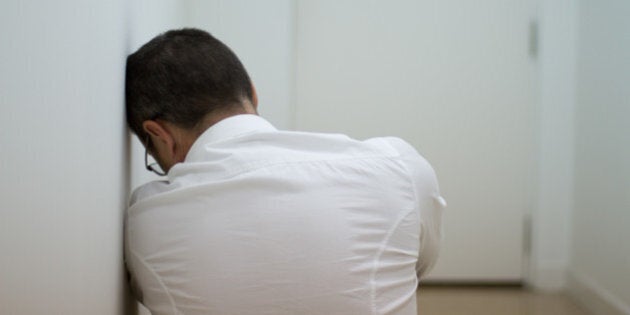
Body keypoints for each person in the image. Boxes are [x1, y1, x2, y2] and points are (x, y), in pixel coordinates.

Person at [124, 28, 446, 315]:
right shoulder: (398, 168)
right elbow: (416, 263)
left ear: (159, 135)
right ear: (252, 92)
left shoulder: (146, 222)